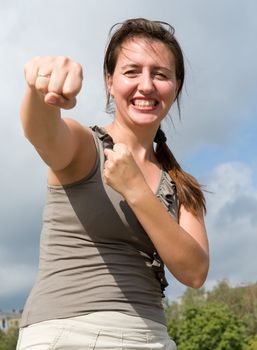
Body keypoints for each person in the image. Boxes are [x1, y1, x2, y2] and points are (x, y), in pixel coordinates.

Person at [17, 18, 209, 350]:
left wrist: (135, 189)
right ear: (110, 81)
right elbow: (43, 133)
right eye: (132, 72)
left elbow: (194, 272)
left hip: (152, 338)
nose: (146, 85)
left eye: (160, 74)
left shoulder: (181, 186)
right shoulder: (83, 145)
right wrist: (40, 90)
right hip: (68, 333)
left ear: (175, 87)